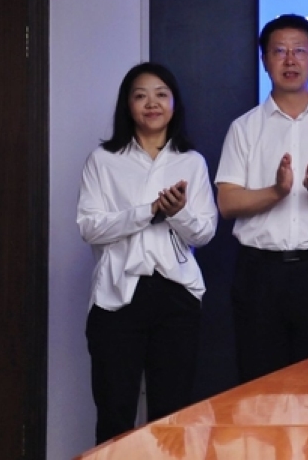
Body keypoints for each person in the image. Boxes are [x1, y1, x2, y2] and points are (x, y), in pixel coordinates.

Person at [216, 14, 308, 382]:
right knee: (259, 384)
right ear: (264, 60)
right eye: (279, 51)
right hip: (259, 274)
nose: (290, 59)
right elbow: (227, 203)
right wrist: (276, 192)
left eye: (300, 50)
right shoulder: (245, 127)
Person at [77, 62, 217, 444]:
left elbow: (205, 232)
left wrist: (177, 212)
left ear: (174, 103)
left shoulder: (191, 161)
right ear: (128, 105)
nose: (151, 103)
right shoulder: (104, 160)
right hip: (116, 296)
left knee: (172, 416)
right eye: (140, 96)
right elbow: (89, 226)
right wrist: (148, 212)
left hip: (176, 295)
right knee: (114, 413)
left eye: (161, 95)